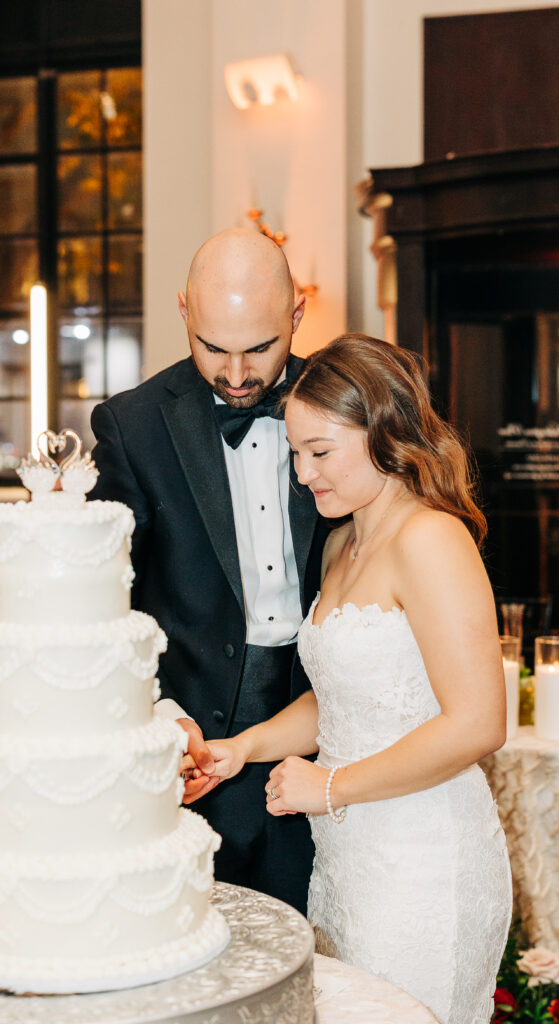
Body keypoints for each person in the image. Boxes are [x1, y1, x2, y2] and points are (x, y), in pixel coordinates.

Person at [184, 333, 513, 1024]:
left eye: (320, 452)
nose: (303, 475)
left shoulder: (430, 538)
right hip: (349, 856)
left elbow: (478, 722)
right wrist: (246, 747)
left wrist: (329, 786)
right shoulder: (344, 539)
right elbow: (338, 695)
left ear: (383, 432)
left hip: (423, 860)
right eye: (295, 454)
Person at [89, 228, 328, 915]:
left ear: (297, 312)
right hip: (192, 748)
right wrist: (163, 714)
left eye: (259, 348)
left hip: (329, 730)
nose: (234, 375)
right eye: (211, 347)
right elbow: (112, 596)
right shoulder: (131, 425)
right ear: (183, 312)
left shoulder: (348, 410)